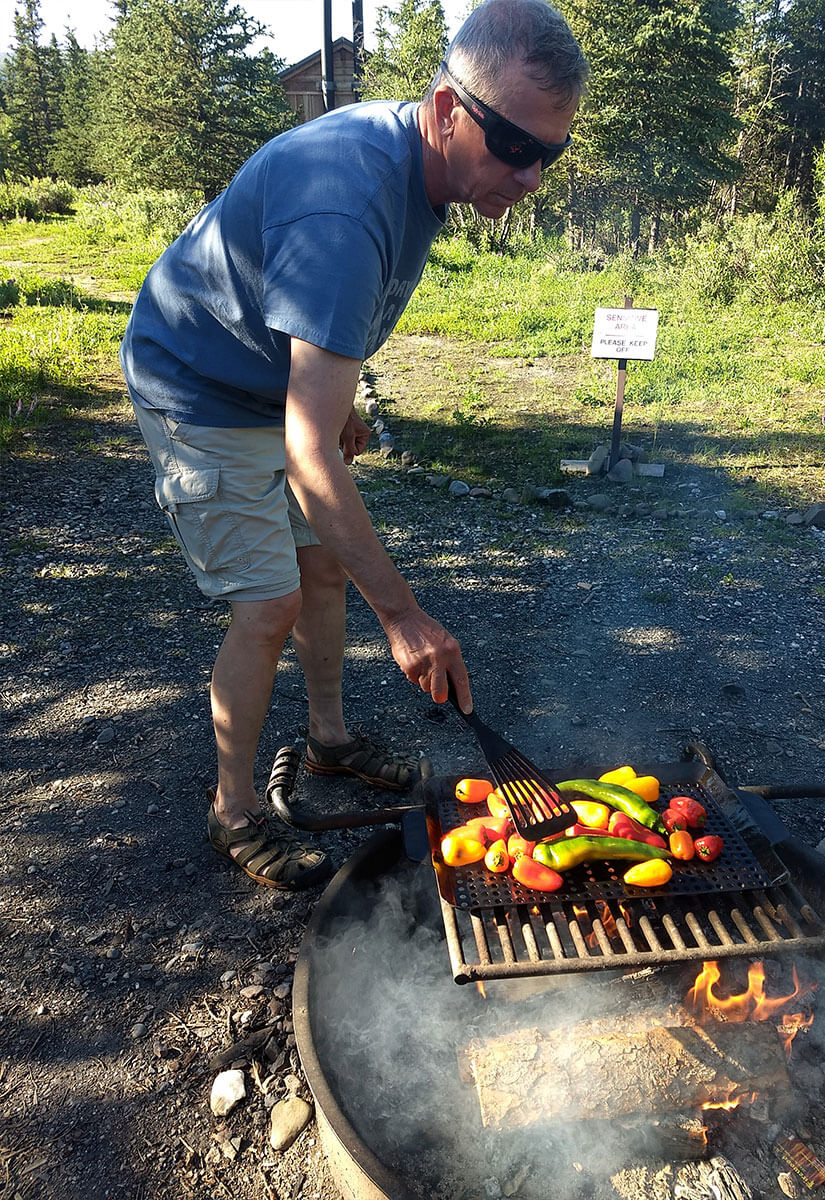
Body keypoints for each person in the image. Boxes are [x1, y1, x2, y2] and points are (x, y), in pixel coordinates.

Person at [120, 0, 588, 891]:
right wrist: (405, 615)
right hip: (198, 383)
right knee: (269, 604)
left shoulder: (434, 169)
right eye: (517, 148)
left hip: (265, 373)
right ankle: (234, 812)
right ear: (448, 109)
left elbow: (325, 334)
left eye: (550, 156)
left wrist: (330, 400)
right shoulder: (347, 200)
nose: (531, 176)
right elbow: (307, 446)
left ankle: (330, 744)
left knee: (322, 568)